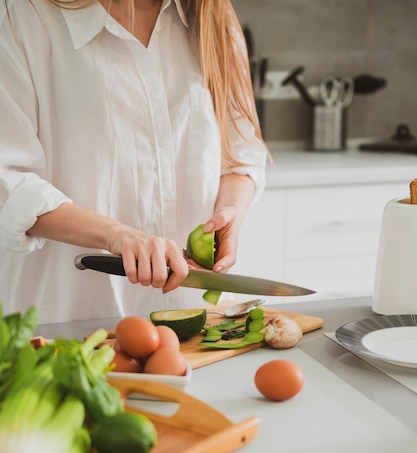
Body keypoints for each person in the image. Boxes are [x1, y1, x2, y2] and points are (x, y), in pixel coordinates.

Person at [0, 0, 266, 325]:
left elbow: (241, 153)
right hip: (69, 317)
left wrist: (231, 214)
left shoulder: (213, 20)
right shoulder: (22, 15)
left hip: (193, 315)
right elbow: (9, 181)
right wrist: (116, 235)